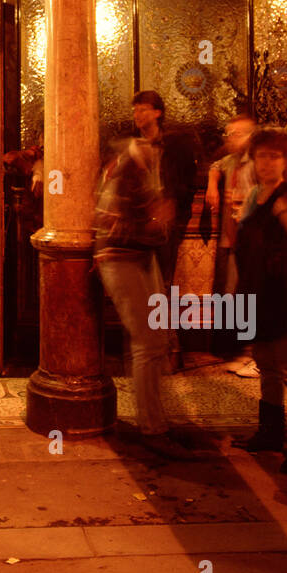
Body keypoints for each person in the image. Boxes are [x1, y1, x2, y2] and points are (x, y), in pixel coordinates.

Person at [94, 136, 196, 461]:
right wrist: (158, 216)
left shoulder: (130, 167)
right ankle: (152, 428)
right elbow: (122, 223)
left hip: (136, 257)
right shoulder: (129, 171)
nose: (157, 156)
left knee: (153, 342)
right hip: (121, 258)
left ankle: (154, 421)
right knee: (148, 343)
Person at [232, 128, 287, 474]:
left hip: (285, 299)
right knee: (266, 364)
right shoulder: (254, 196)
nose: (266, 163)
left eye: (273, 156)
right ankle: (269, 432)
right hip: (259, 295)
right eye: (261, 156)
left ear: (285, 161)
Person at [206, 111, 258, 374]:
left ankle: (253, 354)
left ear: (251, 136)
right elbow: (215, 167)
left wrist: (246, 201)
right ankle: (242, 350)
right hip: (232, 237)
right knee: (233, 294)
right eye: (228, 134)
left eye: (236, 134)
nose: (230, 139)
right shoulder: (230, 161)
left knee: (249, 295)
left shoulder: (258, 163)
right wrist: (212, 185)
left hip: (251, 240)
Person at [132, 90, 200, 291]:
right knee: (140, 280)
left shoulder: (175, 145)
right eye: (135, 110)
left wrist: (174, 208)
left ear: (157, 113)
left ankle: (160, 319)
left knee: (163, 277)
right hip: (138, 220)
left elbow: (188, 178)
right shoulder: (132, 145)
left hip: (167, 220)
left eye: (143, 109)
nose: (138, 115)